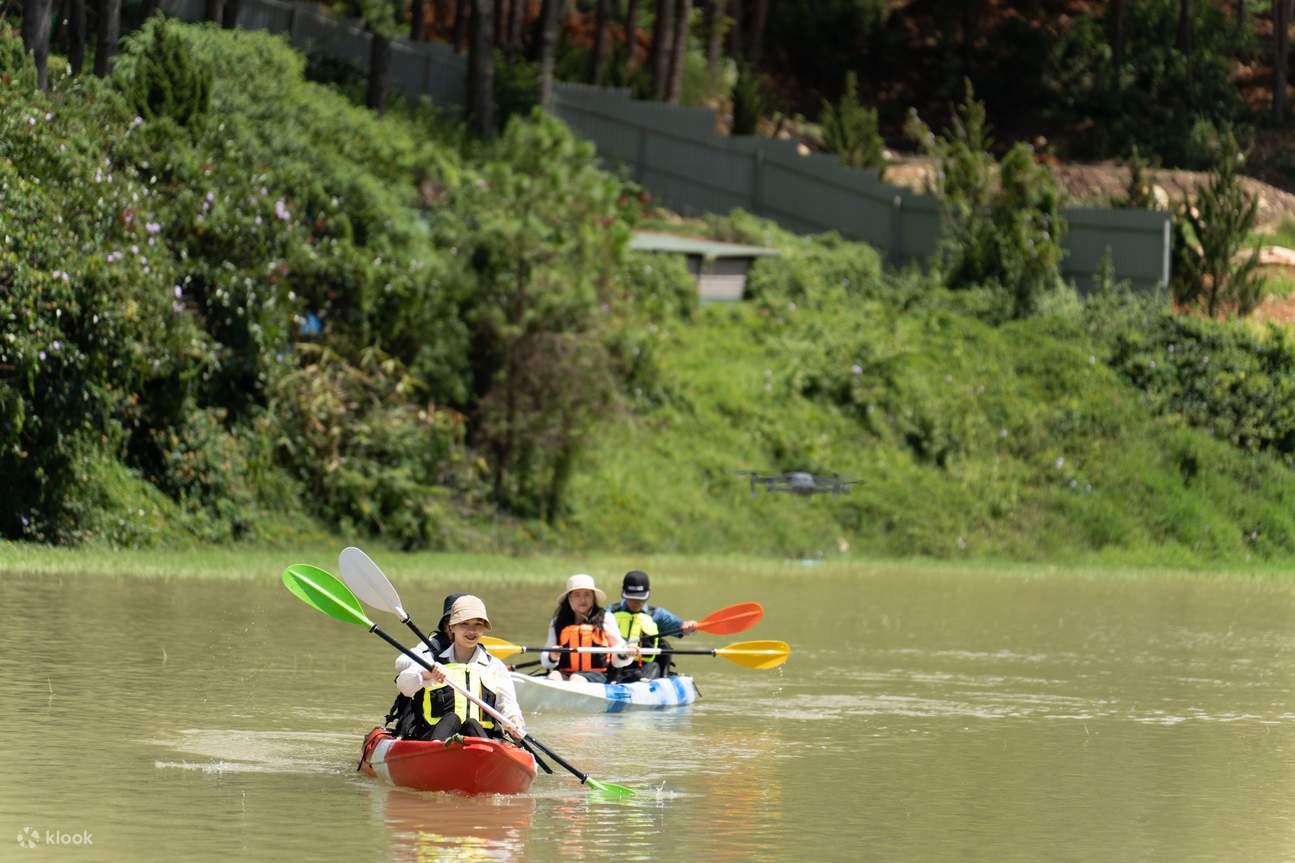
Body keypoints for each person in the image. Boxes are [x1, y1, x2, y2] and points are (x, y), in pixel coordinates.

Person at [392, 595, 526, 742]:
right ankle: (438, 754)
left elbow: (508, 705)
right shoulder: (431, 660)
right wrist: (428, 674)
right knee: (452, 719)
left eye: (478, 625)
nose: (472, 631)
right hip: (434, 738)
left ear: (484, 629)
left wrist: (514, 721)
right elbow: (404, 686)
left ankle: (482, 754)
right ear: (451, 627)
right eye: (464, 624)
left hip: (479, 741)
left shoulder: (494, 666)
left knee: (471, 723)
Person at [542, 573, 639, 683]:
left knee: (576, 679)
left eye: (587, 594)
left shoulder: (606, 618)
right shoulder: (557, 622)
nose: (582, 599)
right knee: (553, 676)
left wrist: (625, 653)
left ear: (593, 597)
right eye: (577, 595)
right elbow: (546, 661)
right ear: (569, 598)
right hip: (566, 671)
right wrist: (552, 656)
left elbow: (618, 655)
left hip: (598, 674)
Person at [606, 569, 697, 682]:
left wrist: (690, 627)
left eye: (640, 598)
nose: (636, 602)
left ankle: (658, 681)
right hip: (615, 665)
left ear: (648, 593)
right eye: (631, 597)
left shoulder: (657, 615)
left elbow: (684, 628)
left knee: (664, 646)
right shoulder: (609, 613)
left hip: (644, 668)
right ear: (623, 592)